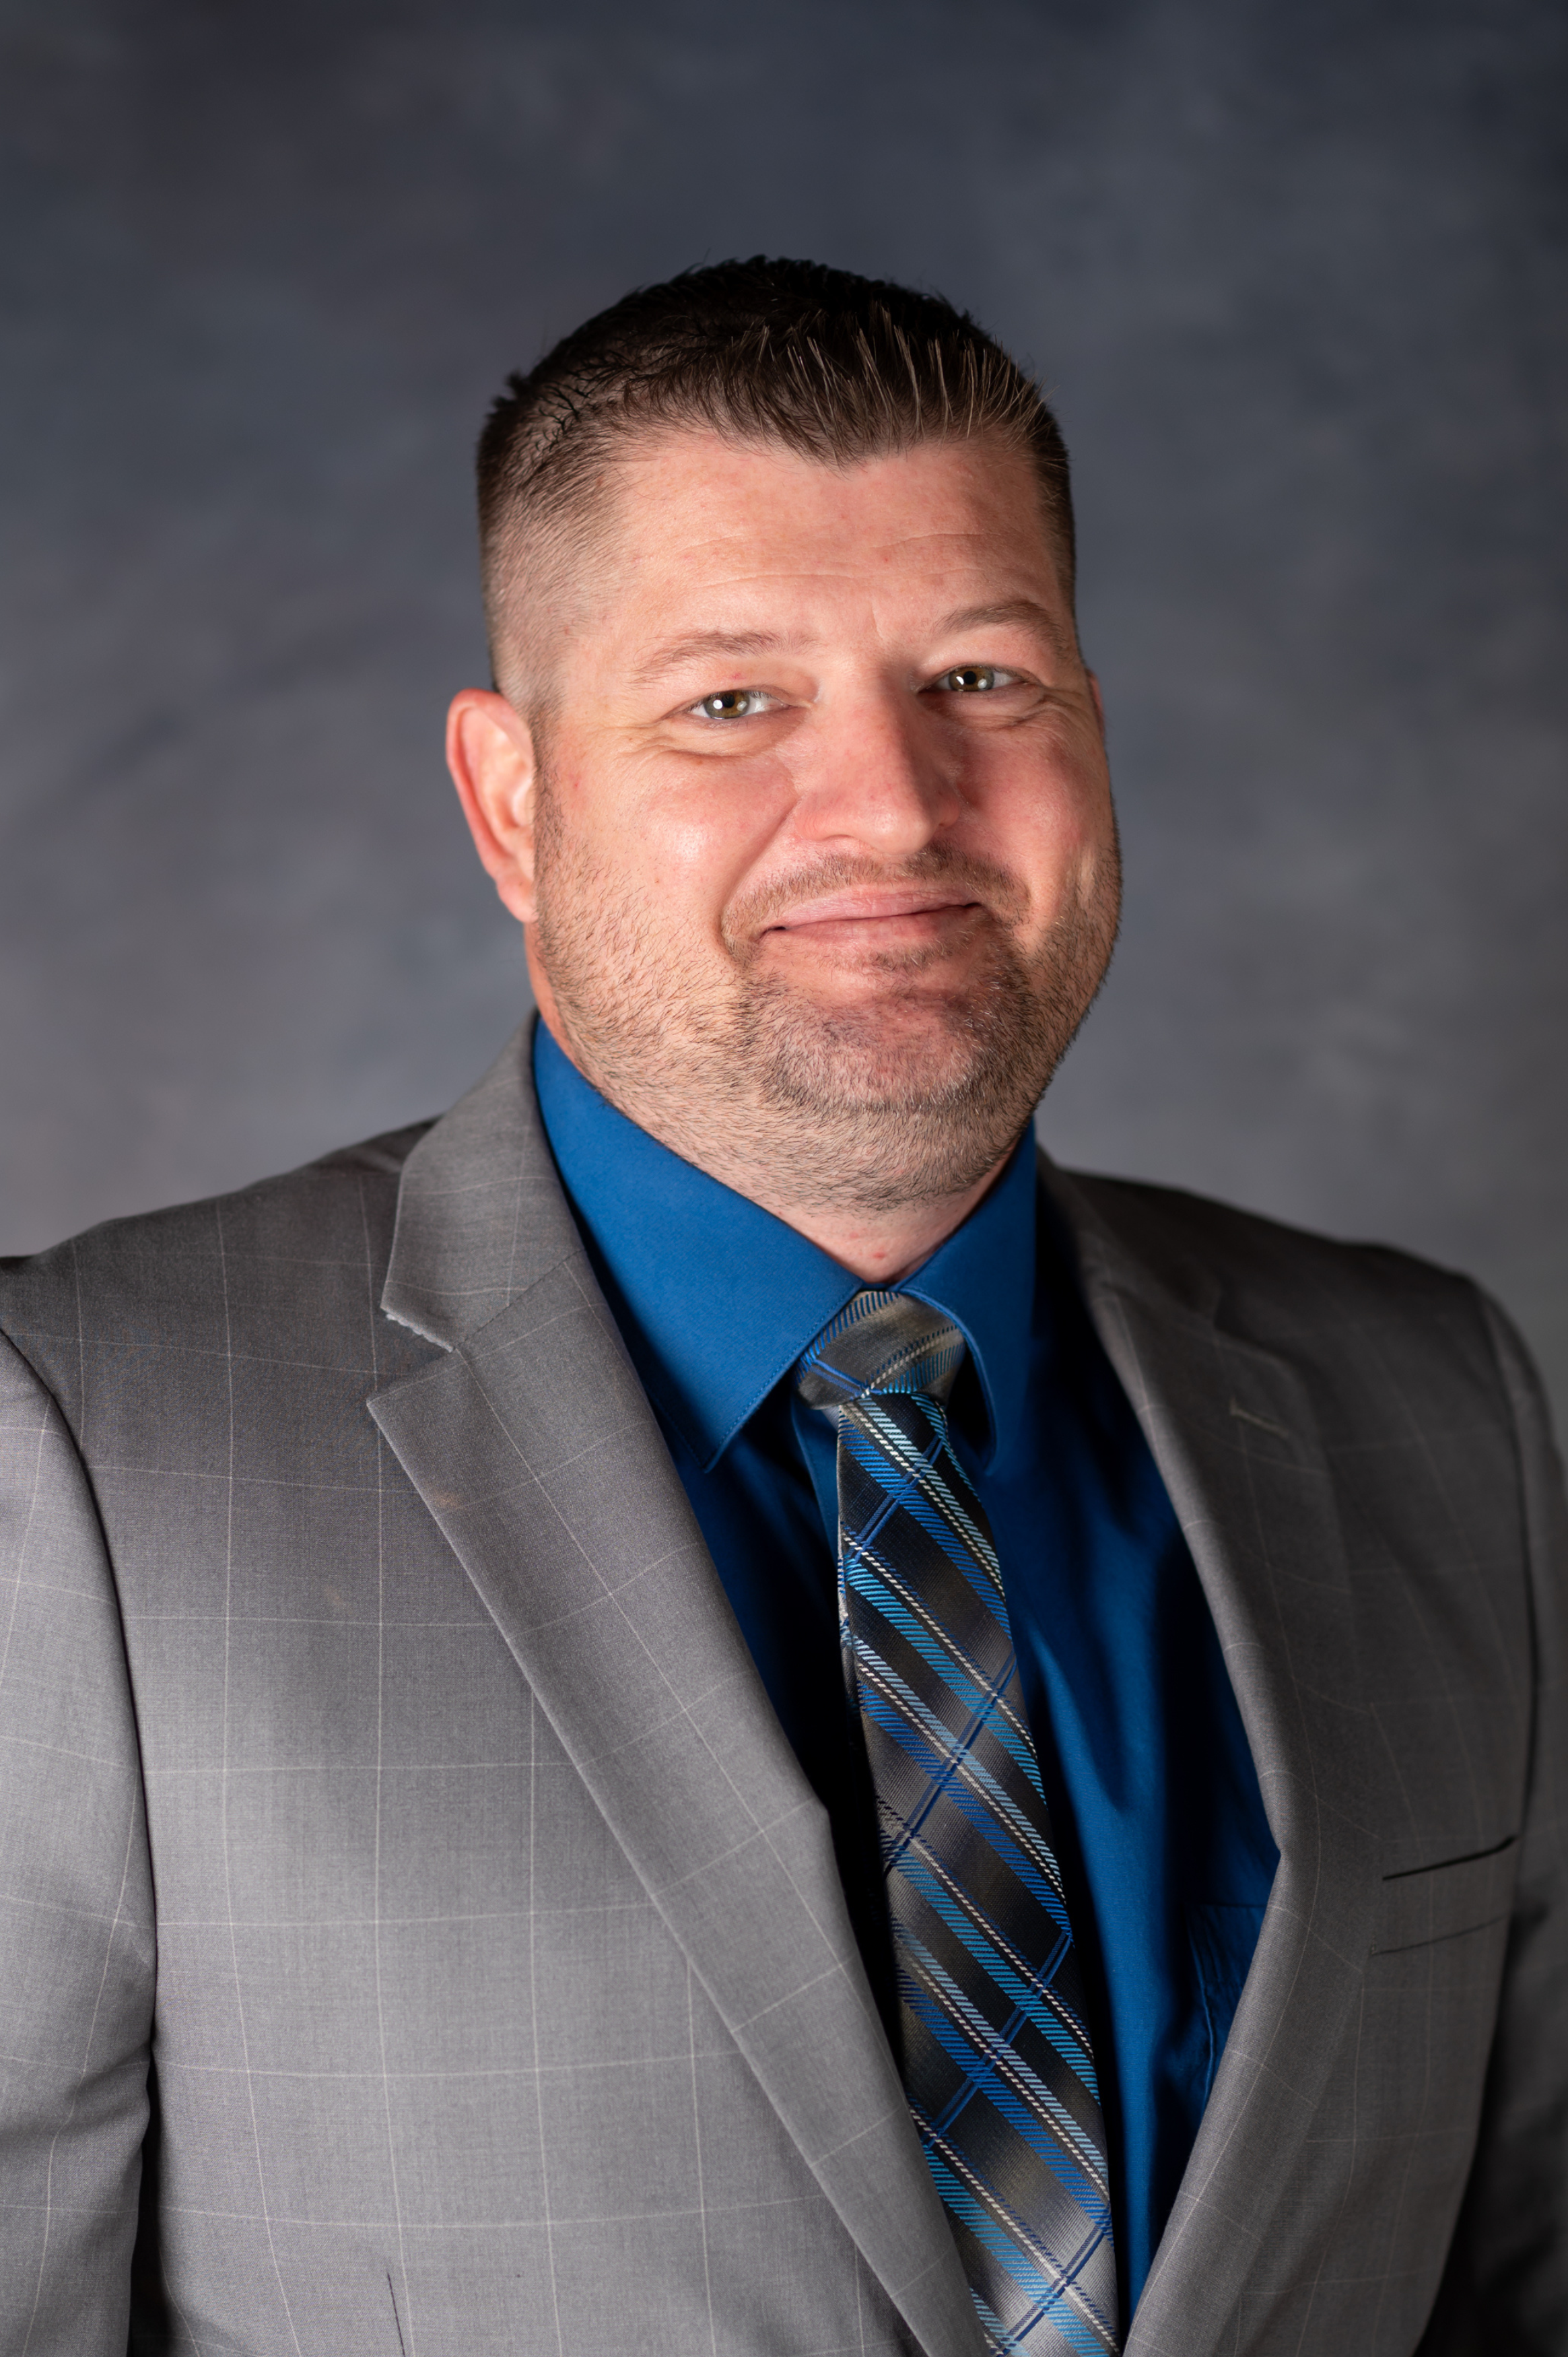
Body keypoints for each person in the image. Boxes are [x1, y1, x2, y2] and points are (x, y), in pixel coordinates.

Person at [0, 258, 1562, 2357]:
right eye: (734, 701)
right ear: (514, 803)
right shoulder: (81, 1456)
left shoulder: (1433, 1402)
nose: (898, 808)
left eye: (984, 678)